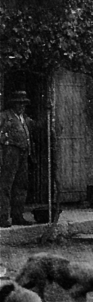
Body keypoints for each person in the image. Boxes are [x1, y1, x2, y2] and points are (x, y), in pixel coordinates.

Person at [0, 91, 35, 227]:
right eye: (19, 103)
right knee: (5, 185)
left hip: (23, 154)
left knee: (21, 185)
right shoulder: (4, 116)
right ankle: (2, 216)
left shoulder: (24, 119)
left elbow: (37, 127)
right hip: (10, 153)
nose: (21, 106)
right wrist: (5, 140)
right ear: (13, 104)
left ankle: (17, 215)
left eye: (23, 104)